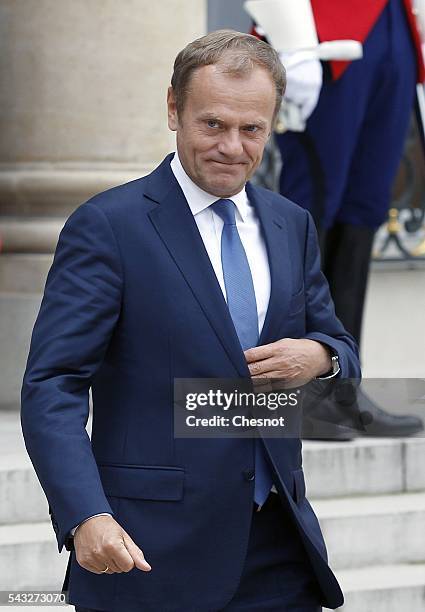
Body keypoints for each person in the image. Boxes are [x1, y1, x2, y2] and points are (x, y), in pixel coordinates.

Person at [21, 30, 360, 612]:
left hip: (281, 547)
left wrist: (320, 357)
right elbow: (53, 384)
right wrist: (85, 514)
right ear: (174, 109)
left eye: (251, 129)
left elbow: (338, 343)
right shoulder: (109, 226)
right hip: (149, 553)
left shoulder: (291, 224)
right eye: (213, 125)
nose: (232, 146)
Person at [268, 0, 424, 436]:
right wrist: (293, 44)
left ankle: (341, 387)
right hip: (321, 28)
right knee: (313, 208)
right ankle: (294, 390)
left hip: (393, 27)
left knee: (364, 208)